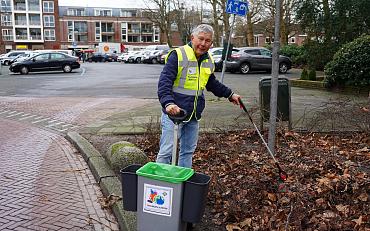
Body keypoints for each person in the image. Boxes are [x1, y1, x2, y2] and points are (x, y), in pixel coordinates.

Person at [156, 24, 241, 168]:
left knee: (187, 152)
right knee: (166, 151)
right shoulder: (178, 55)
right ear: (192, 38)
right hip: (174, 114)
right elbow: (164, 82)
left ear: (211, 43)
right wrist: (168, 103)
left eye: (207, 41)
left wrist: (230, 94)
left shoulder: (208, 60)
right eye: (200, 39)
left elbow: (212, 83)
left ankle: (183, 183)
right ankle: (159, 185)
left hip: (194, 115)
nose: (203, 44)